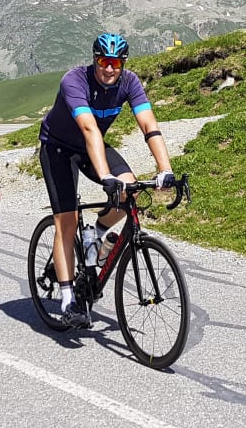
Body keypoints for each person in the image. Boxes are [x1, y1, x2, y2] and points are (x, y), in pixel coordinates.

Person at [39, 32, 174, 327]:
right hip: (58, 149)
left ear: (123, 63)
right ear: (94, 60)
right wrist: (105, 177)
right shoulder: (74, 80)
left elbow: (148, 123)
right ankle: (67, 298)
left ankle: (97, 234)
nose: (109, 69)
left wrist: (166, 169)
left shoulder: (130, 82)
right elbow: (88, 128)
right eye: (103, 62)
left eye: (115, 63)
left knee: (131, 189)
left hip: (92, 146)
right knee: (67, 221)